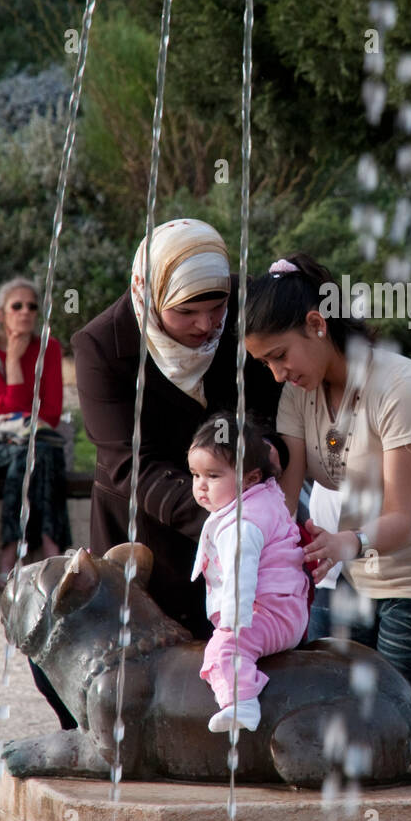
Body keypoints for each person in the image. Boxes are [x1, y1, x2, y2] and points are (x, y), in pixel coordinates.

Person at [244, 254, 411, 709]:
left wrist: (343, 543)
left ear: (317, 324)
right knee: (329, 708)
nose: (277, 374)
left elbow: (401, 519)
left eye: (279, 356)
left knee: (392, 723)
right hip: (355, 575)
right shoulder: (298, 392)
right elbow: (284, 502)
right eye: (264, 363)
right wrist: (257, 552)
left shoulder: (399, 388)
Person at [71, 219, 281, 640]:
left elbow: (271, 414)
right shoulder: (102, 347)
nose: (206, 325)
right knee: (137, 672)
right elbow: (130, 462)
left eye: (216, 307)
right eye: (185, 311)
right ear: (149, 295)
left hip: (247, 520)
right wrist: (224, 518)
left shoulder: (247, 307)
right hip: (146, 529)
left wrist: (272, 460)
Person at [188, 413, 310, 732]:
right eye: (195, 474)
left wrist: (231, 625)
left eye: (213, 476)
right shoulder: (263, 498)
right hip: (284, 607)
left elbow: (241, 578)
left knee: (223, 648)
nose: (201, 485)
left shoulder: (243, 525)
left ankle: (242, 704)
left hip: (272, 614)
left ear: (250, 478)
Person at [0, 277, 71, 588]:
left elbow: (51, 413)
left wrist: (6, 412)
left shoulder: (49, 349)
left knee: (30, 455)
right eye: (17, 306)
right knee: (36, 453)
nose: (25, 312)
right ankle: (56, 551)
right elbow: (15, 407)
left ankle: (11, 557)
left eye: (31, 307)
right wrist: (12, 359)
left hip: (30, 447)